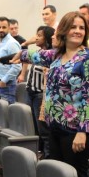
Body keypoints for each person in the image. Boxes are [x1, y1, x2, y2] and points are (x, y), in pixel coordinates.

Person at [16, 12, 89, 177]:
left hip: (75, 130)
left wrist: (82, 132)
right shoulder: (56, 55)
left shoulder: (88, 60)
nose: (78, 31)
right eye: (73, 27)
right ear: (63, 30)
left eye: (82, 28)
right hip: (55, 126)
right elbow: (31, 54)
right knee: (58, 176)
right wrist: (14, 55)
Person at [20, 26, 55, 156]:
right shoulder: (38, 52)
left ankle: (48, 156)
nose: (36, 38)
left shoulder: (50, 55)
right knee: (34, 128)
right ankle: (39, 153)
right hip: (31, 93)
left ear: (47, 38)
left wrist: (26, 44)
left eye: (39, 35)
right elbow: (22, 55)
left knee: (43, 129)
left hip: (41, 95)